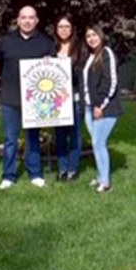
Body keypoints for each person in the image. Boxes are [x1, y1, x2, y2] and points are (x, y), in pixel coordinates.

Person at [0, 6, 55, 189]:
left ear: (36, 21)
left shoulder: (46, 42)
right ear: (18, 20)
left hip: (34, 100)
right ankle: (8, 176)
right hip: (10, 98)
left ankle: (35, 173)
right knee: (10, 139)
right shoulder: (6, 41)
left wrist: (50, 63)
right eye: (23, 17)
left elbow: (54, 66)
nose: (27, 21)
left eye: (31, 18)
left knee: (33, 138)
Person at [82, 26, 123, 193]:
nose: (91, 38)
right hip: (89, 106)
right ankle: (100, 176)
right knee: (96, 144)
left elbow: (110, 82)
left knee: (98, 143)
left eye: (94, 35)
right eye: (88, 36)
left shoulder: (106, 53)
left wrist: (101, 105)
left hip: (104, 107)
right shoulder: (90, 56)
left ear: (101, 36)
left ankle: (106, 184)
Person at [53, 15, 83, 181]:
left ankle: (73, 168)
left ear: (72, 29)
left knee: (75, 136)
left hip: (75, 99)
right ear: (56, 30)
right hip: (57, 102)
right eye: (60, 26)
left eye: (67, 26)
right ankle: (62, 169)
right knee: (60, 136)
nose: (64, 30)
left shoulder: (80, 48)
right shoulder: (52, 49)